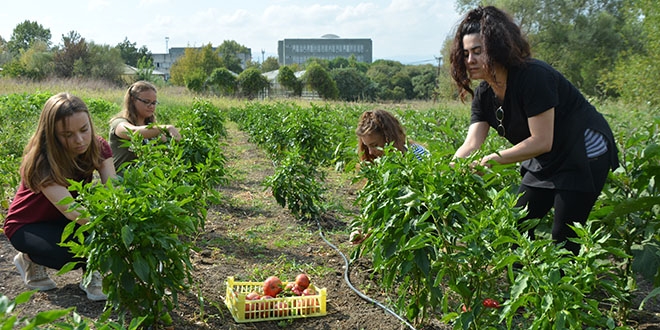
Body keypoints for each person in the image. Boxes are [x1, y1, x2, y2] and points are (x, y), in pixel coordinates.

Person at [449, 6, 619, 255]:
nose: (470, 61)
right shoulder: (485, 94)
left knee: (564, 236)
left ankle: (563, 291)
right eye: (465, 54)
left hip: (583, 152)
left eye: (477, 51)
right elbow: (471, 143)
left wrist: (492, 160)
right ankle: (520, 289)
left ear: (497, 48)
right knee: (516, 226)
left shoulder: (533, 77)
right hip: (546, 157)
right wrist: (450, 170)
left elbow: (541, 140)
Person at [3, 93, 116, 301]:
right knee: (74, 253)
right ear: (52, 134)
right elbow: (72, 210)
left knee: (97, 242)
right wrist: (110, 231)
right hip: (28, 224)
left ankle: (92, 274)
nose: (79, 140)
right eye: (67, 134)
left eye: (84, 130)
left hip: (60, 220)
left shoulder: (98, 147)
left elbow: (112, 189)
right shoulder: (41, 161)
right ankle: (29, 258)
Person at [109, 80, 181, 173]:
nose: (151, 106)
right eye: (146, 102)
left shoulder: (152, 129)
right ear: (133, 100)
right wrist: (165, 128)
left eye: (154, 103)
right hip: (122, 183)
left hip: (145, 183)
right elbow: (133, 132)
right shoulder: (119, 123)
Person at [355, 109, 429, 162]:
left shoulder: (419, 156)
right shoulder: (377, 161)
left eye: (375, 145)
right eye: (367, 146)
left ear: (389, 138)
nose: (370, 152)